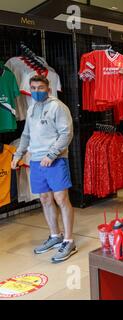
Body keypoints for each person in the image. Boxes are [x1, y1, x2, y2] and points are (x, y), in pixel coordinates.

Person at [11, 75, 76, 263]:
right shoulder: (31, 109)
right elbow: (26, 135)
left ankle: (69, 240)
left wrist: (52, 154)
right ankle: (55, 236)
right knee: (45, 199)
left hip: (55, 160)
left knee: (61, 199)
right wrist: (18, 155)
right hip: (36, 161)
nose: (36, 91)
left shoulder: (58, 107)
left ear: (48, 89)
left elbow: (66, 134)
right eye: (33, 88)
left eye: (40, 88)